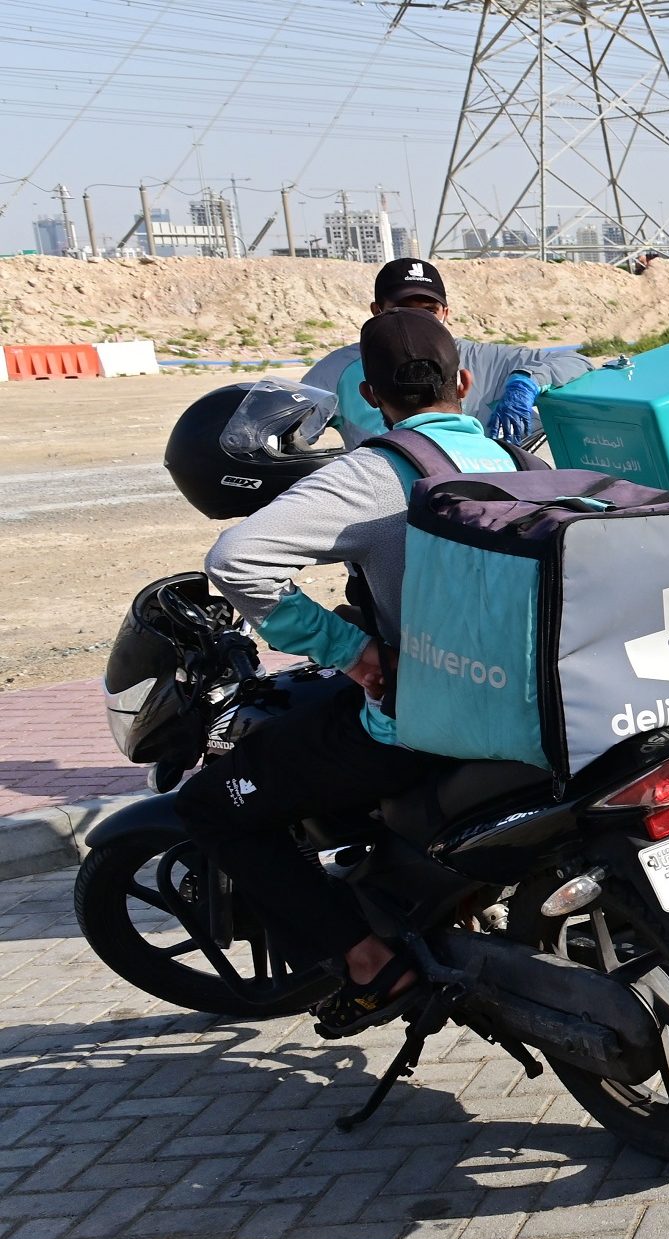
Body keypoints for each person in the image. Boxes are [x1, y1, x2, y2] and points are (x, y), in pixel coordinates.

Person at [175, 310, 522, 1038]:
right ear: (463, 381)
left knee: (213, 804)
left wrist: (349, 650)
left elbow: (236, 561)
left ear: (368, 392)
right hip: (530, 708)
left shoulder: (375, 472)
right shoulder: (517, 465)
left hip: (424, 724)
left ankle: (371, 962)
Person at [302, 257, 592, 446]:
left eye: (429, 311)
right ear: (377, 311)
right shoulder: (336, 371)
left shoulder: (484, 359)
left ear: (446, 313)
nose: (418, 323)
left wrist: (526, 380)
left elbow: (577, 361)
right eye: (402, 311)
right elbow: (291, 435)